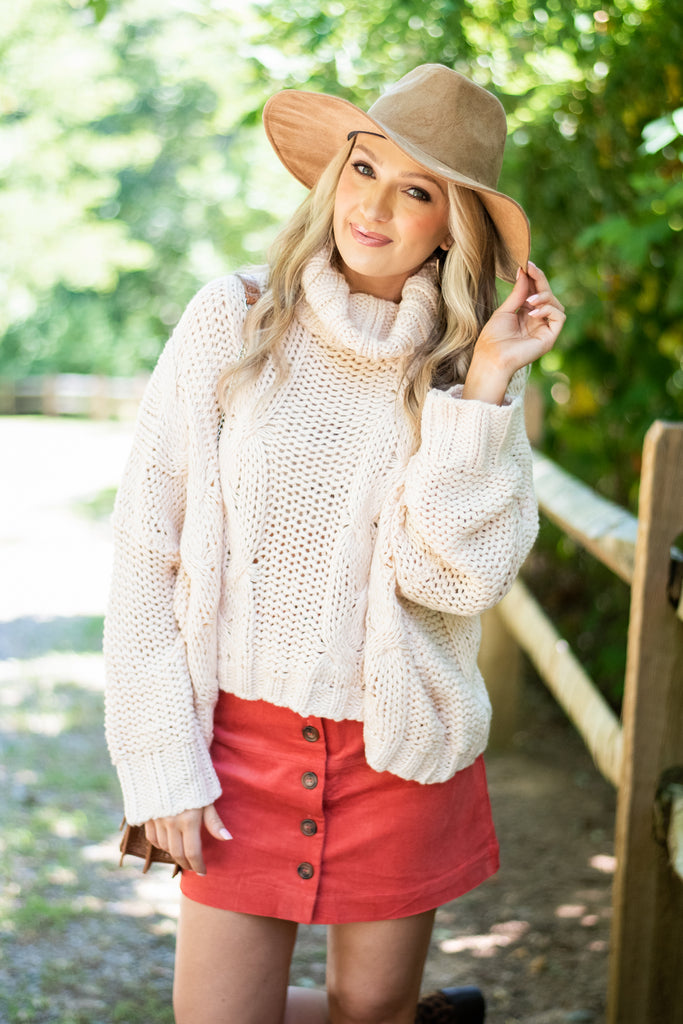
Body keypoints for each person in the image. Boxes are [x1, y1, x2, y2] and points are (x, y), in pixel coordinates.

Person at [104, 63, 565, 1024]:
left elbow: (457, 581)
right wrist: (160, 762)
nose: (376, 206)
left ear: (453, 222)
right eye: (364, 169)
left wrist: (480, 393)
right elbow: (147, 551)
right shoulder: (230, 318)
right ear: (332, 176)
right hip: (237, 747)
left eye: (416, 190)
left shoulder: (464, 371)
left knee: (370, 1013)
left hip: (398, 748)